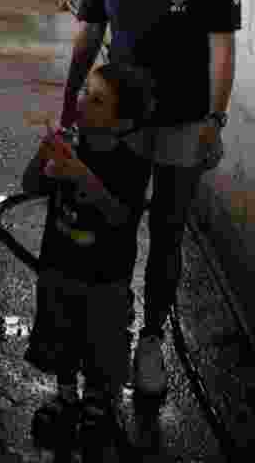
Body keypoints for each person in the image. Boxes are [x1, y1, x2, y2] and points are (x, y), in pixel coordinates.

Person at [60, 0, 241, 404]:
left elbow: (221, 49)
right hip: (118, 120)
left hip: (185, 120)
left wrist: (215, 118)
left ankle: (152, 339)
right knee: (111, 224)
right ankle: (111, 327)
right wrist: (71, 102)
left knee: (167, 231)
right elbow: (89, 32)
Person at [22, 62, 156, 462]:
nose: (82, 103)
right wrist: (42, 156)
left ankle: (98, 404)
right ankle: (66, 398)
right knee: (60, 337)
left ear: (123, 121)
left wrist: (81, 174)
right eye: (84, 93)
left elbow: (119, 216)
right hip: (59, 270)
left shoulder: (130, 162)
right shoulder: (70, 144)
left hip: (105, 281)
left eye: (97, 101)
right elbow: (32, 185)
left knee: (102, 347)